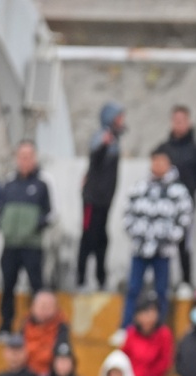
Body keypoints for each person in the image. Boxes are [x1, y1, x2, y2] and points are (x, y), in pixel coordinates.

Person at [119, 146, 194, 330]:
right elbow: (127, 213)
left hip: (163, 250)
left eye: (162, 161)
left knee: (161, 290)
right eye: (155, 161)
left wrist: (169, 238)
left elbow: (185, 219)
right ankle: (126, 327)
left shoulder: (178, 191)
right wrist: (137, 233)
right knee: (133, 288)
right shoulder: (140, 187)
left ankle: (159, 328)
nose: (158, 165)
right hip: (140, 248)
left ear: (169, 164)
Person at [0, 141, 51, 336]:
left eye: (29, 156)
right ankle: (5, 326)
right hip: (10, 246)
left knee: (37, 287)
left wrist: (33, 226)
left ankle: (40, 327)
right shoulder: (9, 184)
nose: (25, 160)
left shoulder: (42, 184)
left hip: (32, 246)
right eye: (22, 156)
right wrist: (6, 228)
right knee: (7, 285)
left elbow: (50, 213)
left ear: (34, 158)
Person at [77, 102, 126, 291]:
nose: (122, 121)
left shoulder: (114, 139)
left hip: (105, 201)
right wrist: (104, 145)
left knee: (102, 239)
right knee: (88, 238)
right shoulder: (102, 138)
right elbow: (94, 160)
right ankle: (81, 279)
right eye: (119, 117)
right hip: (93, 200)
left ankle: (100, 278)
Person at [162, 105, 196, 293]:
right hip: (164, 207)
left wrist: (188, 192)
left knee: (184, 245)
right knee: (163, 245)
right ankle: (164, 282)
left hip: (186, 206)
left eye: (182, 120)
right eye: (176, 120)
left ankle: (186, 281)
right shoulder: (164, 148)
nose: (179, 124)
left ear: (188, 122)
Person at [121, 294, 174, 376]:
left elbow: (165, 361)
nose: (149, 317)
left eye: (153, 312)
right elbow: (123, 357)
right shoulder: (131, 333)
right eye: (145, 312)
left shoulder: (164, 334)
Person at [21, 290, 68, 376]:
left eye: (48, 306)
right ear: (33, 306)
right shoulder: (25, 324)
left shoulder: (61, 328)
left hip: (51, 375)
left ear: (56, 308)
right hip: (25, 372)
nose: (44, 310)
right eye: (41, 306)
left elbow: (60, 354)